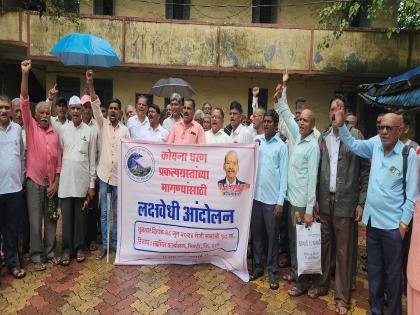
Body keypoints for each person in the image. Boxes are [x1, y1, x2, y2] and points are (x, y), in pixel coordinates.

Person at [335, 110, 418, 315]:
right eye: (381, 127)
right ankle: (376, 310)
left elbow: (412, 195)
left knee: (393, 277)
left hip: (393, 228)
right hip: (372, 223)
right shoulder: (374, 145)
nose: (383, 131)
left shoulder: (408, 155)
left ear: (400, 131)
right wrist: (341, 125)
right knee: (374, 273)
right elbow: (353, 145)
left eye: (389, 128)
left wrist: (403, 224)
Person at [309, 97, 369, 314]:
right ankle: (322, 284)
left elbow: (364, 171)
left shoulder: (356, 137)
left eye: (341, 108)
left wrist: (361, 202)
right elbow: (317, 171)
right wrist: (315, 197)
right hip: (325, 201)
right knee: (324, 247)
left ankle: (342, 297)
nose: (337, 113)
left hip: (346, 202)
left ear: (345, 113)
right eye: (333, 109)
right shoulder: (323, 138)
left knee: (344, 252)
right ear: (330, 114)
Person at [274, 72, 320, 297]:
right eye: (300, 120)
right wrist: (281, 97)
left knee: (302, 244)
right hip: (292, 199)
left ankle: (302, 283)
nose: (300, 123)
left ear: (313, 125)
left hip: (302, 204)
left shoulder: (312, 145)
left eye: (305, 121)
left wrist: (310, 210)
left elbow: (312, 180)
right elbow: (285, 114)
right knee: (293, 241)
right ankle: (296, 272)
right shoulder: (298, 136)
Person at [20, 60, 62, 271]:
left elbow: (58, 163)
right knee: (35, 221)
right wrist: (25, 74)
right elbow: (25, 100)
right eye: (41, 113)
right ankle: (36, 256)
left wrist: (56, 182)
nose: (45, 115)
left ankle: (50, 251)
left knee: (51, 220)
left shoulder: (55, 134)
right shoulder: (30, 128)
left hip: (51, 186)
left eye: (47, 113)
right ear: (35, 116)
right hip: (34, 183)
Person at [87, 69, 130, 260]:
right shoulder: (101, 124)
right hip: (104, 176)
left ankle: (115, 245)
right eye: (110, 108)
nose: (112, 111)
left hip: (119, 178)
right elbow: (95, 104)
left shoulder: (126, 131)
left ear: (120, 113)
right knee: (104, 213)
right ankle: (104, 246)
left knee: (117, 214)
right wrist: (90, 83)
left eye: (116, 109)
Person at [249, 110, 288, 290]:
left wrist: (280, 201)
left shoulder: (281, 146)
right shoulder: (257, 142)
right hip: (256, 198)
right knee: (256, 235)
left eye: (269, 121)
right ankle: (257, 267)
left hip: (272, 200)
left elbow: (284, 176)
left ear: (276, 124)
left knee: (273, 238)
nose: (266, 124)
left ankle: (272, 271)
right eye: (264, 121)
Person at [58, 96, 96, 266]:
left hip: (82, 181)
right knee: (66, 218)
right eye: (72, 108)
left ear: (82, 111)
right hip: (66, 181)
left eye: (78, 108)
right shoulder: (62, 130)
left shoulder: (89, 131)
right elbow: (59, 155)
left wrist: (92, 184)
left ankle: (80, 247)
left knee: (81, 217)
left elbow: (92, 160)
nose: (75, 111)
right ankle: (67, 249)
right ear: (68, 110)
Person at [0, 94, 26, 279]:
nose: (3, 111)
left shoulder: (17, 129)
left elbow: (22, 155)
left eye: (6, 107)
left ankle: (12, 263)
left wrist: (21, 177)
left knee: (11, 229)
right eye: (0, 107)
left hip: (14, 188)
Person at [81, 94, 101, 251]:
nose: (87, 110)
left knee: (93, 208)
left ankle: (92, 238)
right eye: (84, 107)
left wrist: (95, 177)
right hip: (79, 174)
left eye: (89, 107)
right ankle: (81, 238)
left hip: (93, 174)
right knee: (81, 208)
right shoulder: (75, 125)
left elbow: (99, 152)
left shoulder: (96, 127)